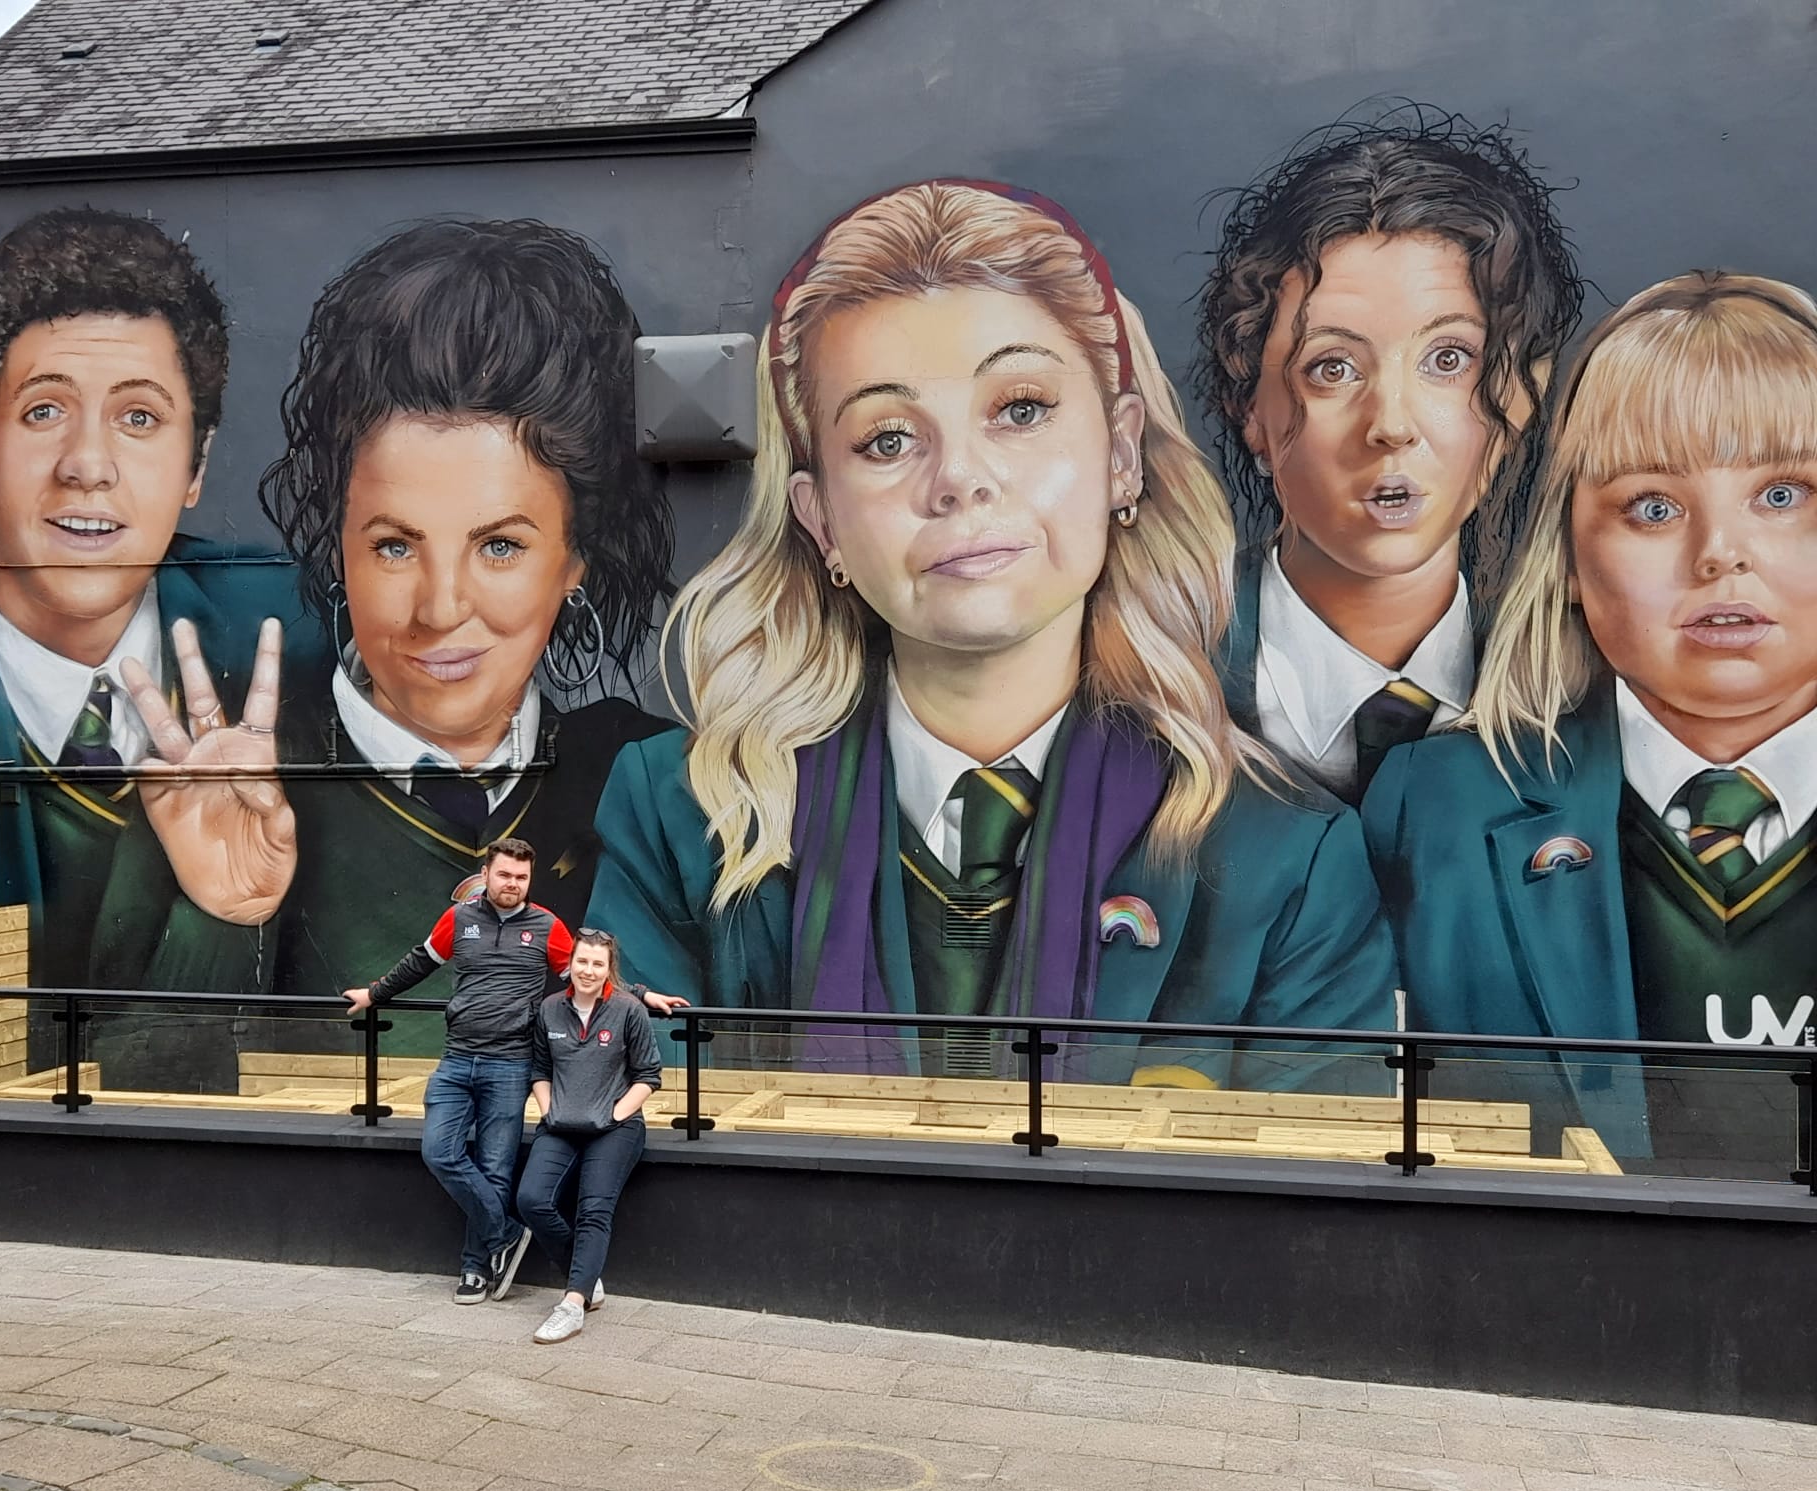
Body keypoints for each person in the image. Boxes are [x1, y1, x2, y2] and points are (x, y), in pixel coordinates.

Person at [588, 179, 1397, 1090]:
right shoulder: (682, 814)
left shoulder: (1288, 858)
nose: (959, 480)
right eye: (888, 438)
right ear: (821, 521)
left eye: (1019, 409)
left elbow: (1305, 1218)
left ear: (1120, 454)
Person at [116, 219, 675, 1059]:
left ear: (575, 560)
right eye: (394, 545)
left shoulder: (641, 781)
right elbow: (134, 1114)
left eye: (499, 546)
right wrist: (221, 920)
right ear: (337, 547)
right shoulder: (230, 785)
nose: (440, 608)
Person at [1362, 272, 1817, 1167]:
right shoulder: (1436, 808)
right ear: (1568, 552)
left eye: (1784, 494)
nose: (1719, 552)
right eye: (1653, 507)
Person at [0, 207, 305, 1089]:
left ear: (197, 466)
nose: (88, 464)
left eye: (140, 419)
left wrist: (225, 911)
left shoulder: (311, 645)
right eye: (44, 410)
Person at [1197, 108, 1582, 804]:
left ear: (1523, 395)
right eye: (1332, 367)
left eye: (1448, 359)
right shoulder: (1148, 681)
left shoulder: (1586, 700)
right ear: (1249, 407)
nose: (1392, 425)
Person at [346, 837, 684, 1303]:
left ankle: (474, 1269)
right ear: (486, 873)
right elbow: (421, 961)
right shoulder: (458, 919)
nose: (513, 884)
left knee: (496, 1168)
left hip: (511, 1064)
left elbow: (590, 969)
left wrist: (643, 996)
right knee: (439, 1151)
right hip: (457, 1057)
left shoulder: (546, 925)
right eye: (505, 875)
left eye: (522, 877)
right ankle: (505, 1231)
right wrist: (374, 995)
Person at [515, 928, 662, 1344]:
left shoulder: (629, 1010)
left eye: (598, 964)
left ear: (608, 969)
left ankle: (573, 1304)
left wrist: (613, 1113)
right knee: (531, 1200)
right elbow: (539, 1070)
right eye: (582, 961)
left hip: (615, 1130)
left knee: (593, 1210)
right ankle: (587, 1275)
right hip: (560, 1124)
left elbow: (649, 1075)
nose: (588, 970)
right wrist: (550, 1109)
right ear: (570, 964)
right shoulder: (548, 1010)